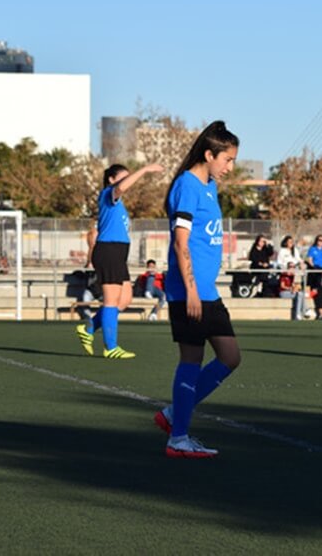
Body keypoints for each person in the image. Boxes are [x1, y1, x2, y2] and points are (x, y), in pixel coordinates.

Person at [152, 120, 242, 459]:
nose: (230, 167)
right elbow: (180, 242)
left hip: (207, 290)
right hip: (190, 291)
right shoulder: (187, 186)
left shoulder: (209, 186)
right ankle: (178, 437)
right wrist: (190, 290)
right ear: (209, 154)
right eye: (227, 159)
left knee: (230, 357)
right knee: (192, 358)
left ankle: (175, 415)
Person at [74, 161, 164, 359]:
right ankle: (110, 347)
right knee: (111, 301)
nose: (126, 181)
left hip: (118, 254)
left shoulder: (118, 202)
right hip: (109, 251)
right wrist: (145, 169)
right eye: (122, 177)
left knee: (124, 300)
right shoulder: (108, 193)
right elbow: (121, 187)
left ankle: (89, 329)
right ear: (112, 180)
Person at [306, 234, 322, 314]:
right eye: (319, 240)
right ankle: (313, 293)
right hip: (316, 268)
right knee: (317, 285)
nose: (321, 242)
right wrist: (313, 266)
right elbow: (309, 259)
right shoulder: (312, 249)